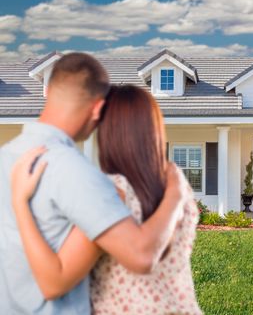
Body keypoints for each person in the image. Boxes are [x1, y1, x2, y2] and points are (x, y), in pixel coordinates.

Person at [0, 53, 189, 314]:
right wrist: (176, 193)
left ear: (48, 92)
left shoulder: (6, 157)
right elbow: (141, 255)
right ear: (98, 109)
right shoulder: (74, 171)